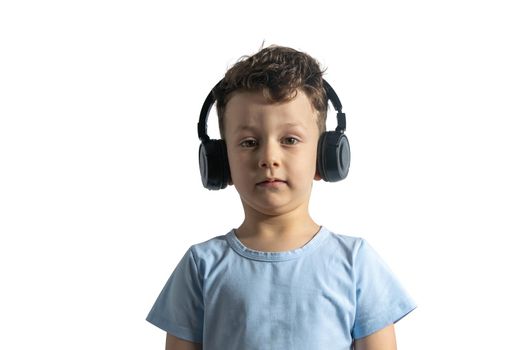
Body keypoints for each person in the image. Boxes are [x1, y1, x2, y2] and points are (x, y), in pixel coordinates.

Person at [146, 45, 417, 350]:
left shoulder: (356, 263)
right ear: (221, 162)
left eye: (290, 139)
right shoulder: (200, 266)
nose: (269, 157)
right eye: (249, 142)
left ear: (324, 156)